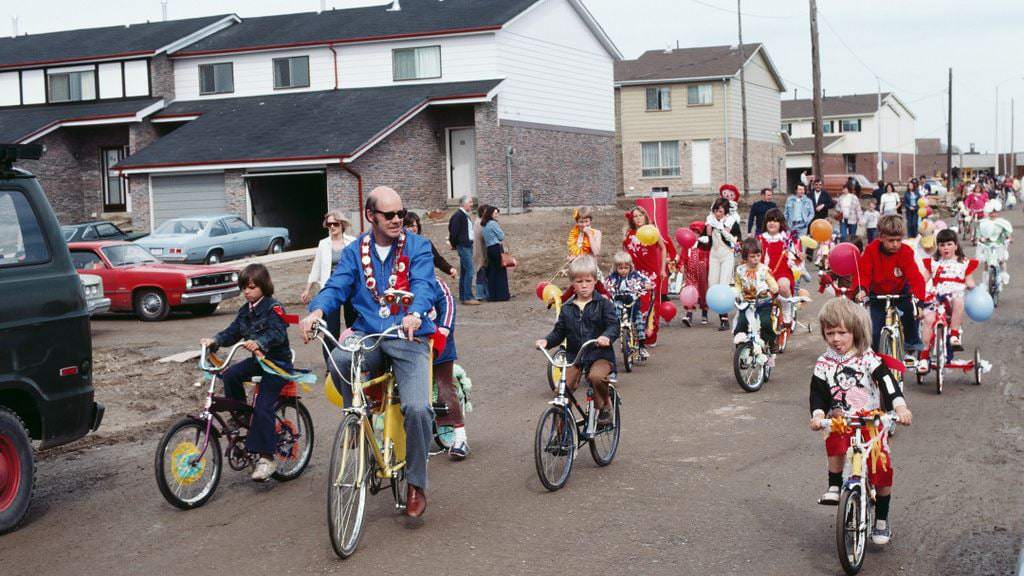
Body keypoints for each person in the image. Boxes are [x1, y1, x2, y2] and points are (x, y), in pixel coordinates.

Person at [302, 186, 437, 519]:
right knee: (339, 358)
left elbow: (424, 285)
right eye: (389, 215)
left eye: (401, 214)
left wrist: (415, 312)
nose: (397, 220)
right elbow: (337, 285)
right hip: (368, 333)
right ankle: (356, 416)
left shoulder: (417, 246)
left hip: (409, 335)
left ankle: (416, 484)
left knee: (418, 408)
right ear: (370, 216)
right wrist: (317, 311)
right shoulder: (354, 251)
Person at [809, 297, 912, 545]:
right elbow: (818, 392)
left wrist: (900, 406)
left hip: (871, 421)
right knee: (834, 440)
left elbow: (887, 383)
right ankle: (835, 485)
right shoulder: (824, 362)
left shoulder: (867, 358)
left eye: (842, 332)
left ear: (856, 332)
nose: (836, 339)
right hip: (841, 419)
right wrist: (818, 414)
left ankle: (882, 520)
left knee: (881, 470)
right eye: (830, 332)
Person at [200, 264, 292, 482]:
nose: (247, 292)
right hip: (259, 362)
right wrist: (215, 341)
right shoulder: (245, 310)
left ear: (263, 286)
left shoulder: (274, 308)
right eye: (244, 288)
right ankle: (242, 416)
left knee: (263, 404)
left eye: (251, 287)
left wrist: (259, 342)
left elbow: (277, 333)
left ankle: (267, 458)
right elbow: (232, 332)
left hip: (277, 364)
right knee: (231, 374)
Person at [535, 255, 619, 425]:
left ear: (595, 281)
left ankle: (604, 405)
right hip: (576, 357)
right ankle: (561, 436)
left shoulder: (603, 304)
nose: (584, 285)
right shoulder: (567, 309)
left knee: (596, 377)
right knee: (562, 390)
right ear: (572, 284)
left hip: (600, 355)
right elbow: (558, 333)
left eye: (588, 280)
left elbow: (613, 325)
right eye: (579, 281)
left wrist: (606, 337)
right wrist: (546, 341)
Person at [855, 215, 927, 360]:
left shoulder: (906, 251)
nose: (895, 244)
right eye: (891, 240)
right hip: (878, 296)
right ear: (881, 237)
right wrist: (862, 289)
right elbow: (864, 273)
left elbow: (915, 277)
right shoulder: (871, 250)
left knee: (910, 315)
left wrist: (919, 302)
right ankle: (875, 359)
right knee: (875, 331)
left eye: (898, 240)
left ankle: (910, 346)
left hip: (901, 293)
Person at [918, 229, 977, 372]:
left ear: (956, 246)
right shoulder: (934, 263)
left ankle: (954, 334)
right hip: (936, 297)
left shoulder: (963, 263)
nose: (945, 248)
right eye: (942, 245)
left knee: (958, 300)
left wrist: (972, 287)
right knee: (928, 319)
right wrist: (915, 287)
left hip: (953, 298)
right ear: (938, 247)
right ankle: (924, 356)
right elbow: (922, 280)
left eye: (949, 244)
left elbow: (970, 281)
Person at [301, 211, 357, 358]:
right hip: (330, 288)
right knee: (331, 328)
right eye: (329, 224)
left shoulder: (352, 242)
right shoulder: (323, 244)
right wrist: (308, 289)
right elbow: (316, 267)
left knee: (353, 325)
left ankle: (353, 359)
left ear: (342, 225)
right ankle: (331, 365)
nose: (332, 227)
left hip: (349, 287)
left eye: (335, 224)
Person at [429, 275, 470, 460]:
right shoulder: (399, 279)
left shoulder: (435, 282)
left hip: (437, 342)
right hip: (409, 345)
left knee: (445, 386)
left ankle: (460, 437)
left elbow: (448, 302)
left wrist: (444, 328)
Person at [623, 205, 670, 345]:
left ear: (645, 216)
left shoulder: (652, 230)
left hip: (652, 274)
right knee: (637, 304)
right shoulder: (629, 234)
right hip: (634, 274)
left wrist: (662, 269)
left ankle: (651, 336)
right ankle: (637, 335)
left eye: (640, 215)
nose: (638, 219)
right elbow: (624, 252)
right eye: (635, 216)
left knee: (651, 304)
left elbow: (663, 248)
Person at [733, 238, 778, 359]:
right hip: (746, 302)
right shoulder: (740, 270)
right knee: (741, 323)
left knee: (765, 323)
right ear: (745, 256)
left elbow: (771, 281)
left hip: (763, 301)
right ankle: (741, 349)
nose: (756, 259)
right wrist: (735, 292)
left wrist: (773, 288)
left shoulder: (763, 269)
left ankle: (771, 341)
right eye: (752, 256)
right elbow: (737, 283)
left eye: (758, 255)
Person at [759, 209, 801, 327]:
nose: (772, 223)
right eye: (769, 221)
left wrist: (794, 256)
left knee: (782, 286)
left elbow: (796, 258)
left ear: (781, 224)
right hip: (764, 273)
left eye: (775, 221)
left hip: (782, 272)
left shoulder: (786, 240)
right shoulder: (760, 239)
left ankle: (787, 311)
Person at [606, 251, 652, 357]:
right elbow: (606, 284)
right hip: (618, 301)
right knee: (613, 316)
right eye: (620, 268)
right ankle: (613, 336)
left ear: (630, 267)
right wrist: (605, 291)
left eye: (626, 268)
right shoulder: (613, 277)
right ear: (616, 268)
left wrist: (647, 285)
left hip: (633, 302)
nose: (623, 271)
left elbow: (646, 280)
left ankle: (641, 347)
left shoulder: (635, 275)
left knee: (639, 321)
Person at [705, 197, 742, 330]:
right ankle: (733, 304)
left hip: (727, 256)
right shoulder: (710, 221)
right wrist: (707, 233)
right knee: (712, 284)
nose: (718, 214)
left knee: (723, 285)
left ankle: (724, 319)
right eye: (716, 211)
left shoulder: (732, 223)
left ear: (726, 212)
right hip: (714, 256)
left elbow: (738, 241)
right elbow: (706, 240)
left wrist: (729, 237)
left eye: (720, 211)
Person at [447, 195, 481, 305]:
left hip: (466, 245)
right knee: (470, 271)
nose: (472, 204)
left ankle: (463, 295)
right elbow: (453, 232)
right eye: (470, 202)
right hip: (464, 246)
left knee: (465, 271)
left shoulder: (463, 215)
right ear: (463, 203)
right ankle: (467, 297)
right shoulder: (459, 215)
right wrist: (454, 244)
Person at [404, 211, 458, 278]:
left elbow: (437, 260)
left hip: (422, 279)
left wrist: (449, 269)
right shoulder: (399, 244)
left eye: (413, 226)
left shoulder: (425, 243)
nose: (410, 229)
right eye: (407, 226)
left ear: (418, 227)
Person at [680, 221, 711, 326]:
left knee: (703, 292)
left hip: (703, 271)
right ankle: (689, 314)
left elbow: (710, 257)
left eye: (697, 232)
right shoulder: (687, 245)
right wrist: (681, 265)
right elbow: (683, 256)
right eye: (692, 232)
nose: (695, 234)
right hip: (690, 272)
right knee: (690, 291)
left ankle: (704, 312)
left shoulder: (705, 244)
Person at [481, 206, 510, 302]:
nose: (496, 215)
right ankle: (502, 295)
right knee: (501, 272)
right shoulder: (493, 223)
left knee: (492, 272)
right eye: (495, 213)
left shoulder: (484, 224)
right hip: (496, 248)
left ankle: (493, 295)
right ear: (490, 214)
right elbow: (501, 236)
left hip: (489, 249)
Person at [473, 204, 490, 301]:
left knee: (483, 273)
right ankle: (480, 294)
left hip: (478, 251)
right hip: (480, 252)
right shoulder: (480, 223)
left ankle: (485, 293)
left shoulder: (477, 222)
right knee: (481, 272)